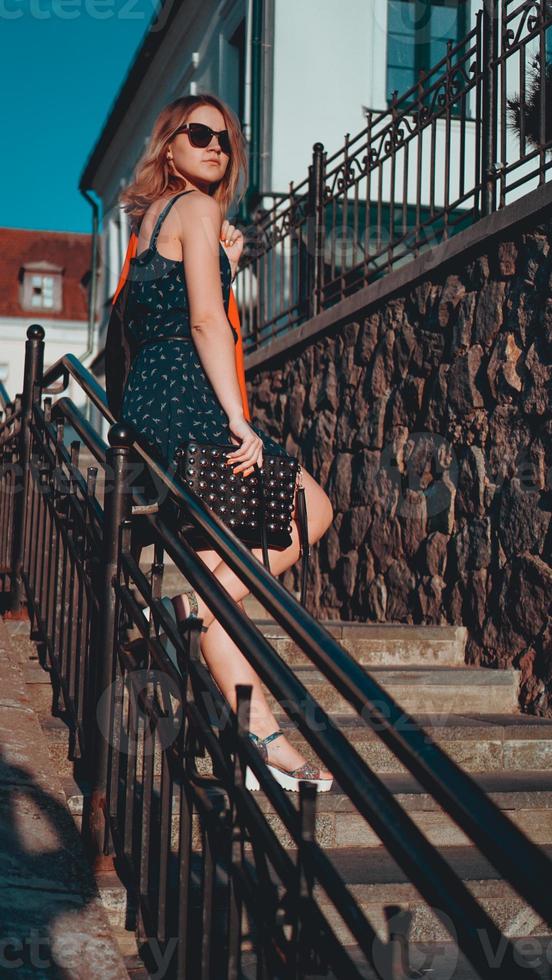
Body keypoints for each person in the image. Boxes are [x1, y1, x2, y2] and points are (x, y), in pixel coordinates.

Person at [115, 94, 334, 792]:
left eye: (226, 139)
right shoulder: (198, 210)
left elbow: (153, 314)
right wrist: (239, 419)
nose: (217, 146)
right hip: (191, 401)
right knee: (313, 509)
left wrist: (226, 264)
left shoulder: (149, 225)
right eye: (200, 134)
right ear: (169, 146)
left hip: (150, 405)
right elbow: (208, 323)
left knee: (219, 564)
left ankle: (264, 744)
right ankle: (185, 613)